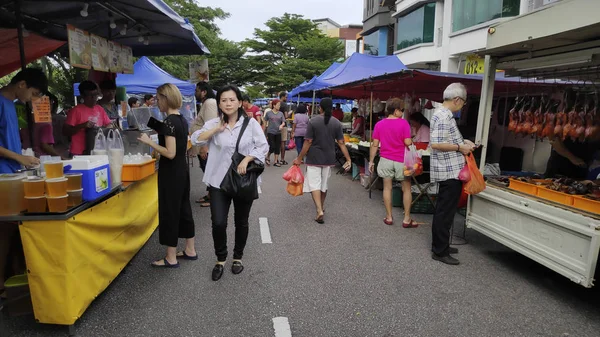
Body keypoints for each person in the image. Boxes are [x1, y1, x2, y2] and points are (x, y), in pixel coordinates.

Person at [191, 84, 268, 281]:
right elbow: (196, 139)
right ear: (219, 103)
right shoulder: (214, 123)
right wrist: (217, 129)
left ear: (240, 102)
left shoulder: (250, 124)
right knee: (218, 222)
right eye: (223, 100)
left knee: (241, 221)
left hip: (243, 180)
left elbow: (263, 146)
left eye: (232, 99)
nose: (228, 103)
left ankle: (238, 257)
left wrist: (247, 158)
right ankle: (221, 258)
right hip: (218, 181)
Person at [138, 83, 196, 268]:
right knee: (184, 208)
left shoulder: (170, 121)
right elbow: (177, 142)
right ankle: (190, 249)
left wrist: (150, 142)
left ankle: (171, 257)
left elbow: (169, 152)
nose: (156, 102)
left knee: (170, 211)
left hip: (171, 171)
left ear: (165, 98)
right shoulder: (180, 119)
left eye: (158, 98)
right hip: (182, 169)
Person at [0, 68, 46, 298]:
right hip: (3, 175)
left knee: (15, 227)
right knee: (5, 229)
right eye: (33, 93)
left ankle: (16, 274)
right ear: (21, 84)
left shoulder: (13, 105)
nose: (33, 99)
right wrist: (20, 158)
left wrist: (22, 159)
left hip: (14, 172)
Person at [430, 83, 476, 265]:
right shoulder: (443, 116)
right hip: (448, 170)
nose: (463, 106)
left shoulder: (444, 115)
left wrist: (463, 141)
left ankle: (442, 246)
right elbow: (436, 143)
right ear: (457, 99)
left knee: (446, 211)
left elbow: (444, 139)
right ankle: (440, 251)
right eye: (463, 103)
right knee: (444, 211)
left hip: (451, 169)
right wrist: (460, 147)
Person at [293, 98, 352, 224]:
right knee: (323, 185)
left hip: (314, 157)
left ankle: (319, 209)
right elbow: (341, 143)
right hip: (329, 158)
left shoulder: (313, 121)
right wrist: (348, 159)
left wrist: (299, 158)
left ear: (320, 107)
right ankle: (322, 206)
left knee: (314, 184)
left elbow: (308, 142)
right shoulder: (336, 123)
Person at [368, 98, 417, 227]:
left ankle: (389, 217)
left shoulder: (379, 124)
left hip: (385, 159)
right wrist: (411, 141)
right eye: (401, 110)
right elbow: (407, 142)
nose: (402, 112)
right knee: (406, 188)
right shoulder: (404, 123)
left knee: (387, 187)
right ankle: (406, 219)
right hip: (402, 160)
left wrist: (371, 161)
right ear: (396, 111)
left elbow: (375, 145)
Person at [63, 81, 113, 156]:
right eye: (90, 95)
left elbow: (109, 124)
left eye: (95, 95)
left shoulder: (99, 109)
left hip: (97, 151)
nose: (94, 98)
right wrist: (81, 126)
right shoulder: (75, 111)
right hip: (79, 153)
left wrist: (106, 129)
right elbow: (65, 131)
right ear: (83, 95)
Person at [190, 82, 218, 206]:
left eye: (197, 90)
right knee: (207, 170)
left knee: (210, 171)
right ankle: (210, 195)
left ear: (204, 92)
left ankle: (214, 198)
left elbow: (210, 126)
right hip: (203, 145)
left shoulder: (210, 103)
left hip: (206, 147)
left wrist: (204, 147)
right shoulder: (206, 103)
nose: (195, 93)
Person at [264, 99, 286, 167]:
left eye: (280, 105)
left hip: (278, 132)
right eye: (278, 105)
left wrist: (282, 125)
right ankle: (267, 156)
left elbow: (283, 122)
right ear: (274, 105)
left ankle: (275, 161)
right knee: (272, 146)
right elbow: (265, 121)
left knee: (277, 147)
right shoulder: (268, 113)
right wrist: (264, 130)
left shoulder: (281, 113)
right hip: (270, 132)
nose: (279, 106)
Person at [279, 91, 290, 165]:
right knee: (283, 142)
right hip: (283, 125)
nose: (286, 98)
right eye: (286, 97)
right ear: (282, 97)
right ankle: (282, 159)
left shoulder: (276, 103)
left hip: (275, 124)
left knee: (276, 142)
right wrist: (290, 113)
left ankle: (270, 158)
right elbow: (286, 116)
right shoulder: (284, 105)